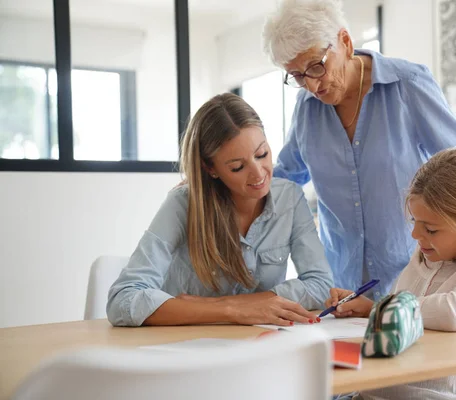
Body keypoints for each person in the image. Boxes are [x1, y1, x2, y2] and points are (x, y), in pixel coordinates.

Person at [262, 0, 456, 300]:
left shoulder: (406, 85)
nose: (312, 85)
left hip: (415, 285)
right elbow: (284, 178)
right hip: (342, 290)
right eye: (298, 76)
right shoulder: (306, 109)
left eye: (316, 66)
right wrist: (214, 187)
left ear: (345, 42)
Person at [107, 93, 334, 327]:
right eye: (237, 167)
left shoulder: (290, 198)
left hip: (256, 345)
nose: (259, 174)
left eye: (262, 154)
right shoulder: (183, 204)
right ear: (211, 169)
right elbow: (123, 299)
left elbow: (321, 284)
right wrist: (229, 309)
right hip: (183, 348)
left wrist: (246, 305)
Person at [325, 148, 456, 399]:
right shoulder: (427, 255)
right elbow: (404, 321)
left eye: (430, 229)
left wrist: (382, 309)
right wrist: (371, 309)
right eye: (414, 222)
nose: (415, 235)